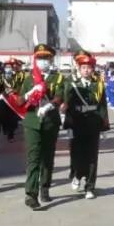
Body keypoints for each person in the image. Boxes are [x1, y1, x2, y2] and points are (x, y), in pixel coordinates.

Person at [22, 44, 65, 210]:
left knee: (47, 157)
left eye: (46, 58)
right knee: (33, 158)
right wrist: (28, 93)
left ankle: (44, 187)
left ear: (51, 59)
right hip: (32, 122)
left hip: (50, 122)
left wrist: (48, 106)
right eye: (39, 58)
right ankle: (31, 194)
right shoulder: (29, 79)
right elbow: (19, 101)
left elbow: (60, 97)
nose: (42, 61)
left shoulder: (58, 78)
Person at [65, 51, 109, 200]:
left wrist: (104, 127)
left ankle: (90, 187)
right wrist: (69, 126)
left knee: (92, 157)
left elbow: (102, 106)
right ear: (79, 68)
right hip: (77, 123)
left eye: (89, 67)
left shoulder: (98, 85)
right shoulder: (72, 84)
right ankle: (77, 175)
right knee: (78, 155)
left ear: (93, 69)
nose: (86, 70)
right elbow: (69, 107)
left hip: (93, 124)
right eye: (83, 67)